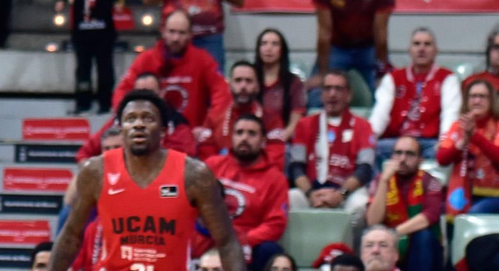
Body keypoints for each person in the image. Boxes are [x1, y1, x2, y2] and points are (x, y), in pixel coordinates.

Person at [45, 90, 244, 271]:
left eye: (148, 118)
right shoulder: (96, 171)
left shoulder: (193, 174)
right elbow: (71, 236)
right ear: (121, 129)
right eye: (130, 119)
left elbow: (227, 241)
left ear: (164, 130)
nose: (138, 124)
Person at [112, 11, 230, 149]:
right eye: (172, 31)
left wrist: (208, 126)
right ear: (163, 31)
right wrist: (127, 120)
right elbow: (122, 92)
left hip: (191, 138)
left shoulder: (203, 60)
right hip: (149, 138)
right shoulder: (145, 60)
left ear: (190, 35)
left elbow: (222, 93)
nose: (175, 38)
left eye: (181, 33)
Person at [203, 114, 289, 271]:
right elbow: (194, 206)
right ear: (232, 137)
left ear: (263, 141)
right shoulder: (211, 166)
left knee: (270, 250)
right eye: (239, 132)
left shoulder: (276, 179)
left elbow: (275, 224)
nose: (244, 138)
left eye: (252, 133)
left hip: (249, 243)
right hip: (210, 235)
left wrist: (243, 239)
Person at [288, 70, 376, 219]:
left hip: (347, 192)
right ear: (321, 94)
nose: (332, 94)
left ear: (349, 95)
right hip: (311, 191)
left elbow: (364, 169)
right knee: (290, 199)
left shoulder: (363, 126)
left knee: (360, 205)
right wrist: (310, 194)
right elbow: (296, 167)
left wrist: (341, 194)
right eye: (327, 88)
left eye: (338, 89)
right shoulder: (304, 125)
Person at [312, 0, 395, 100]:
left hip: (369, 47)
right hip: (337, 47)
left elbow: (381, 34)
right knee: (316, 94)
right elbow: (324, 33)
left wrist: (381, 71)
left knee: (388, 92)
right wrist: (322, 73)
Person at [370, 28, 460, 160]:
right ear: (409, 50)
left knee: (449, 152)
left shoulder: (447, 78)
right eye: (417, 44)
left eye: (427, 44)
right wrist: (369, 138)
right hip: (397, 141)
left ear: (436, 50)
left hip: (429, 143)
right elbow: (380, 113)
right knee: (370, 151)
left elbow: (450, 112)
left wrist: (445, 142)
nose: (421, 49)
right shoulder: (393, 78)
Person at [365, 135, 444, 271]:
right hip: (390, 247)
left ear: (420, 160)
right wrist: (384, 181)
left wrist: (394, 233)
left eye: (410, 154)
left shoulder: (430, 182)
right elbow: (373, 221)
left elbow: (430, 215)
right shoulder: (380, 180)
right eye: (398, 153)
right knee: (374, 238)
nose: (402, 159)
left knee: (423, 235)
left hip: (421, 249)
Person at [62, 0, 119, 114]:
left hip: (104, 34)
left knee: (105, 69)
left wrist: (118, 2)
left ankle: (105, 102)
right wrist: (60, 1)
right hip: (82, 34)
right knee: (83, 69)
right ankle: (83, 102)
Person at [435, 77, 499, 215]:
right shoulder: (457, 126)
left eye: (482, 96)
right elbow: (441, 159)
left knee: (474, 213)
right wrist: (463, 141)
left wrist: (475, 136)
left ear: (491, 100)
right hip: (464, 189)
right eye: (473, 96)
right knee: (438, 210)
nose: (477, 101)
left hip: (495, 194)